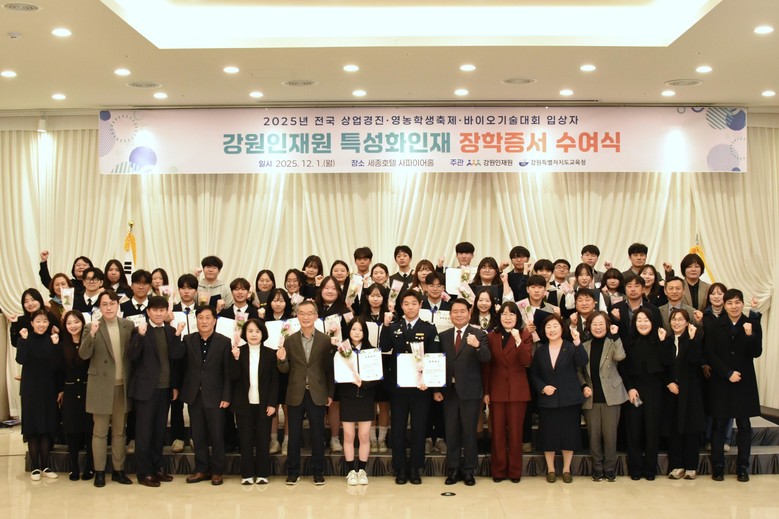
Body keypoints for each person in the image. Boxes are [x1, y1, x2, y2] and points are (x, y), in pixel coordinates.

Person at [380, 290, 440, 485]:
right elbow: (384, 347)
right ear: (401, 306)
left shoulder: (429, 328)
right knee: (397, 428)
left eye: (414, 303)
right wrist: (385, 326)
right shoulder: (394, 327)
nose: (410, 307)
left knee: (419, 428)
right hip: (398, 387)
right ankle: (400, 468)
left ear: (420, 305)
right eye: (406, 303)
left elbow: (434, 356)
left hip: (420, 388)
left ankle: (415, 467)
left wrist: (430, 383)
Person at [78, 291, 136, 487]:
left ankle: (119, 470)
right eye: (104, 304)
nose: (109, 307)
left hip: (122, 386)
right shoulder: (91, 327)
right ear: (99, 307)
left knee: (120, 432)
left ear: (118, 305)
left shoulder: (128, 325)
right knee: (100, 432)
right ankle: (100, 471)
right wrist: (92, 334)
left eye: (112, 303)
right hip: (101, 386)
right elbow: (84, 354)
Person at [126, 296, 185, 487]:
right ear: (148, 311)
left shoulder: (170, 330)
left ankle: (157, 468)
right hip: (145, 390)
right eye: (155, 310)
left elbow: (176, 357)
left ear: (167, 312)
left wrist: (178, 335)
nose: (159, 313)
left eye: (162, 310)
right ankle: (144, 472)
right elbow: (132, 356)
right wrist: (140, 336)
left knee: (159, 431)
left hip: (165, 388)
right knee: (144, 432)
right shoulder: (140, 330)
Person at [704, 289, 762, 482]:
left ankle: (742, 468)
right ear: (724, 305)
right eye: (730, 303)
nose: (734, 306)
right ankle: (718, 467)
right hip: (722, 381)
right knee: (719, 425)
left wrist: (750, 335)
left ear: (743, 304)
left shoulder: (751, 323)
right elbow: (709, 353)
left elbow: (757, 352)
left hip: (744, 382)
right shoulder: (714, 325)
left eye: (737, 302)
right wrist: (727, 373)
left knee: (744, 426)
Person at [276, 300, 334, 486]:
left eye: (310, 313)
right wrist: (282, 360)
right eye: (302, 313)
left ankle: (318, 471)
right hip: (295, 393)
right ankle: (293, 472)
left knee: (318, 434)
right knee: (293, 435)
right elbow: (284, 370)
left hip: (318, 392)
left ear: (316, 316)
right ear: (297, 316)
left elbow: (330, 370)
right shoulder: (290, 340)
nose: (306, 317)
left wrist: (330, 393)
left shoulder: (326, 340)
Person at [529, 314, 588, 483]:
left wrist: (578, 342)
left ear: (562, 328)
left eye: (555, 326)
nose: (552, 330)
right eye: (548, 327)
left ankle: (566, 469)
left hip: (569, 399)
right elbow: (533, 374)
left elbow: (583, 361)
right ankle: (551, 469)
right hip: (548, 400)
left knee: (569, 435)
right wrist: (543, 387)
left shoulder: (570, 347)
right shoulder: (540, 350)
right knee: (548, 435)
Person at [439, 298, 490, 486]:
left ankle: (469, 470)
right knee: (451, 432)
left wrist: (477, 345)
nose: (459, 314)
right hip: (449, 392)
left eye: (462, 311)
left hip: (470, 391)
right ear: (450, 314)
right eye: (455, 311)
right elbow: (437, 363)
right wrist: (437, 389)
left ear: (469, 313)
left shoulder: (479, 334)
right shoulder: (443, 336)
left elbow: (486, 358)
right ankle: (453, 470)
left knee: (469, 432)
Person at [180, 306, 233, 486]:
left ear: (214, 320)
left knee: (217, 435)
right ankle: (201, 469)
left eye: (208, 318)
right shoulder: (188, 340)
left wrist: (227, 396)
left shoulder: (224, 342)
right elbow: (180, 363)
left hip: (216, 396)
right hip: (194, 394)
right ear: (196, 320)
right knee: (198, 434)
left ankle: (217, 471)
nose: (204, 321)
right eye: (200, 318)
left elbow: (227, 372)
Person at [482, 302, 532, 483]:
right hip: (496, 390)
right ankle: (498, 470)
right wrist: (486, 391)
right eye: (504, 314)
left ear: (517, 317)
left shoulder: (525, 335)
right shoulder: (491, 336)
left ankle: (515, 471)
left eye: (512, 314)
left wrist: (518, 340)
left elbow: (526, 361)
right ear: (499, 317)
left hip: (518, 391)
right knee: (497, 433)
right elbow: (487, 367)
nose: (508, 317)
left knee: (516, 434)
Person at [578, 311, 627, 482]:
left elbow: (620, 356)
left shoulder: (612, 342)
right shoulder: (584, 346)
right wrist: (583, 385)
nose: (598, 327)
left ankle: (610, 468)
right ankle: (597, 467)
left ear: (607, 326)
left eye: (601, 324)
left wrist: (616, 336)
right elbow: (579, 370)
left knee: (610, 435)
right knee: (594, 436)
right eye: (594, 324)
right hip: (591, 396)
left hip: (611, 395)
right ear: (589, 326)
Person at [229, 318, 279, 485]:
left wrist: (272, 403)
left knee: (263, 439)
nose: (254, 334)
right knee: (245, 439)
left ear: (263, 334)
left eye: (257, 331)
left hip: (264, 404)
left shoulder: (270, 354)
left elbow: (274, 381)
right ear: (244, 333)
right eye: (250, 331)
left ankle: (263, 473)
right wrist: (235, 358)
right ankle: (247, 474)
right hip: (243, 404)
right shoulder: (238, 352)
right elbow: (233, 377)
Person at [16, 309, 64, 481]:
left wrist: (56, 345)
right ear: (32, 323)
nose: (41, 324)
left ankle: (45, 466)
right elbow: (21, 359)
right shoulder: (25, 339)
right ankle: (35, 467)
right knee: (33, 429)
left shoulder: (52, 340)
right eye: (38, 321)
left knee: (46, 428)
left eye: (44, 321)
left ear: (49, 323)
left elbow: (57, 367)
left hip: (48, 389)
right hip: (30, 390)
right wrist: (23, 340)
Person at [620, 307, 666, 480]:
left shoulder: (660, 340)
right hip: (634, 391)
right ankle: (635, 469)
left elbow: (667, 363)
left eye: (646, 320)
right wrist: (630, 388)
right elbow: (623, 369)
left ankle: (650, 470)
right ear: (634, 323)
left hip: (655, 391)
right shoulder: (628, 343)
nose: (643, 323)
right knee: (634, 431)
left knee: (652, 431)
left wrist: (663, 342)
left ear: (653, 322)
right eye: (639, 320)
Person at [660, 309, 704, 480]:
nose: (676, 322)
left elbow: (695, 360)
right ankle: (677, 466)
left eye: (680, 319)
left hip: (691, 392)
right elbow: (662, 364)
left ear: (687, 322)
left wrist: (693, 339)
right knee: (674, 430)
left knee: (691, 430)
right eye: (674, 319)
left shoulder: (693, 339)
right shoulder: (667, 340)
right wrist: (669, 382)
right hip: (672, 391)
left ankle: (691, 467)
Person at [338, 318, 379, 486]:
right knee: (348, 435)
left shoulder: (372, 351)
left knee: (364, 435)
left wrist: (364, 384)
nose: (356, 332)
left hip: (366, 397)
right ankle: (350, 471)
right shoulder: (341, 350)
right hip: (347, 397)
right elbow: (336, 373)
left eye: (360, 330)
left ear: (365, 332)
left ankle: (362, 470)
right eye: (353, 329)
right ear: (348, 331)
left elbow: (377, 378)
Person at [60, 310, 94, 481]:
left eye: (76, 322)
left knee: (89, 430)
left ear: (83, 323)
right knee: (72, 430)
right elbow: (58, 370)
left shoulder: (89, 341)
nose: (73, 326)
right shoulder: (61, 344)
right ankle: (74, 467)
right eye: (69, 323)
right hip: (70, 391)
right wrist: (60, 390)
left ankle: (89, 467)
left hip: (89, 390)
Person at [361, 283, 392, 454]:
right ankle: (372, 440)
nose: (375, 299)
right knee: (370, 404)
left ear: (384, 298)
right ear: (367, 297)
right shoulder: (361, 317)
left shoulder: (390, 316)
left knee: (384, 404)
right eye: (372, 295)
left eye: (379, 295)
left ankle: (382, 439)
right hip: (368, 363)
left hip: (386, 363)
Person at [264, 288, 293, 455]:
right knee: (272, 405)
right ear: (269, 302)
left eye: (281, 300)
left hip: (288, 367)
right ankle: (273, 440)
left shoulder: (293, 321)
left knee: (288, 406)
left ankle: (287, 440)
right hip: (269, 367)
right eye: (275, 300)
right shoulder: (264, 321)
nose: (278, 304)